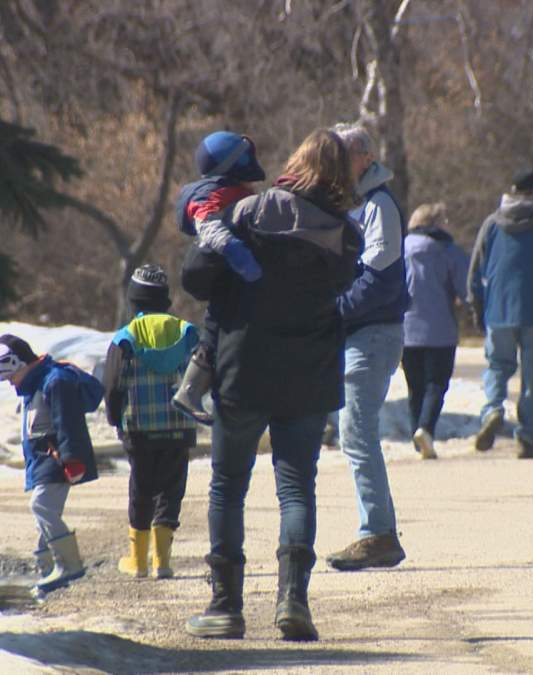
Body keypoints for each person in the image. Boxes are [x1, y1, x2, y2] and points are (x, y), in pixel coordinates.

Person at [181, 128, 361, 641]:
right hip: (309, 372)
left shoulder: (249, 212)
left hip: (244, 367)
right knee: (295, 488)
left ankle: (225, 607)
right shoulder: (345, 233)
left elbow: (196, 276)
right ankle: (292, 601)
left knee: (227, 485)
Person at [325, 122, 410, 572]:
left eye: (341, 158)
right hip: (361, 335)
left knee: (357, 433)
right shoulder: (356, 205)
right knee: (353, 433)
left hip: (373, 335)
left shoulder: (379, 205)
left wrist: (333, 311)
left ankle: (377, 533)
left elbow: (377, 278)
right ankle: (376, 529)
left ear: (363, 159)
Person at [467, 167, 533, 459]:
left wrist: (477, 307)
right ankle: (526, 436)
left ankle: (492, 409)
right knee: (532, 374)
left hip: (498, 309)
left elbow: (476, 271)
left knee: (497, 365)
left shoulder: (492, 223)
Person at [103, 265, 200, 580]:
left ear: (134, 301)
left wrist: (115, 417)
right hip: (179, 425)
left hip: (140, 427)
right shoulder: (187, 333)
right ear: (166, 299)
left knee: (141, 489)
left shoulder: (126, 337)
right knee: (172, 490)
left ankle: (138, 561)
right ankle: (163, 562)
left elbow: (114, 383)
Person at [0, 334, 103, 594]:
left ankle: (69, 565)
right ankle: (48, 567)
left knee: (41, 506)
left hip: (58, 460)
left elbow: (68, 422)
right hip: (42, 461)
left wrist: (72, 459)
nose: (10, 383)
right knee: (45, 513)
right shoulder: (34, 384)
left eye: (9, 377)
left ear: (18, 363)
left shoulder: (55, 380)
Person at [171, 131, 266, 425]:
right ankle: (189, 391)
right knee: (216, 325)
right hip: (224, 266)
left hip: (223, 271)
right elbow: (210, 229)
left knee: (216, 321)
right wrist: (243, 259)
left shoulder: (226, 190)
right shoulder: (209, 196)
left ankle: (192, 390)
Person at [400, 202, 470, 460]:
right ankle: (426, 429)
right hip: (440, 329)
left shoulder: (399, 249)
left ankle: (417, 437)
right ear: (434, 224)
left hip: (405, 329)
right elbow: (465, 289)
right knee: (436, 384)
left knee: (414, 386)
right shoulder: (448, 251)